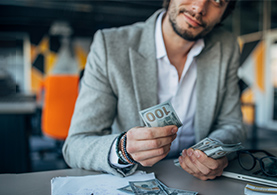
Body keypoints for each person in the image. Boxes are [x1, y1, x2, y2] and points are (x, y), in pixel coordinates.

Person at [63, 0, 246, 181]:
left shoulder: (226, 46)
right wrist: (123, 150)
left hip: (200, 182)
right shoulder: (109, 46)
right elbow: (76, 146)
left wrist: (215, 152)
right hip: (134, 178)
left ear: (225, 12)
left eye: (217, 1)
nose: (198, 8)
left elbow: (232, 124)